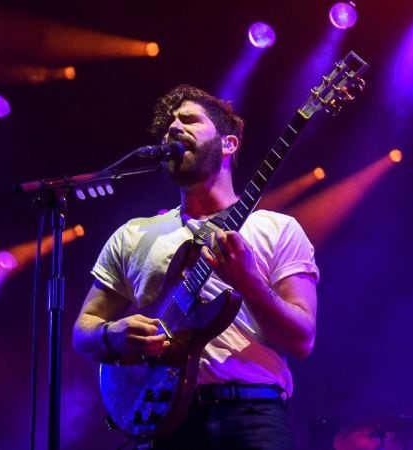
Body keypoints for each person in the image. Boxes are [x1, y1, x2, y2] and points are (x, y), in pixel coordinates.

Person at [72, 84, 319, 449]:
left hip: (251, 415)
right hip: (163, 418)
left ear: (228, 144)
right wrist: (113, 335)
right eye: (170, 123)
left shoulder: (278, 228)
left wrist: (250, 282)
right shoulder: (134, 234)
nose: (173, 127)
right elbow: (83, 331)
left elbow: (302, 340)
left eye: (188, 120)